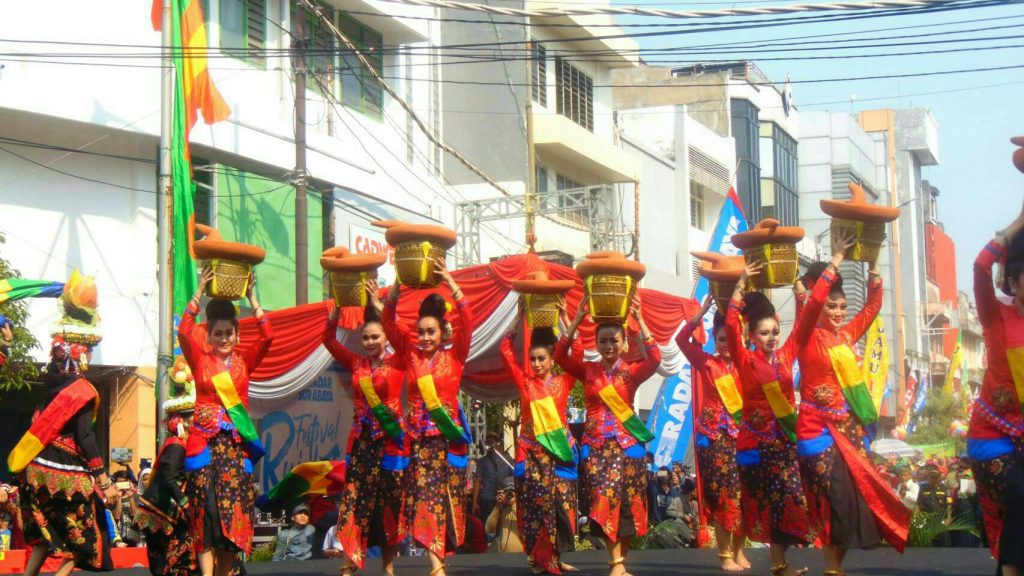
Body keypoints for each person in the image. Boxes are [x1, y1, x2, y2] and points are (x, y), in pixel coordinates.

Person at [725, 243, 851, 576]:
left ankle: (780, 565)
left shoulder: (786, 355)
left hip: (783, 444)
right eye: (764, 333)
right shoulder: (744, 359)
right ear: (751, 335)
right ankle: (772, 564)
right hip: (753, 446)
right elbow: (730, 324)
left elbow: (809, 314)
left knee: (790, 502)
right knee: (763, 505)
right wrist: (741, 284)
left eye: (775, 332)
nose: (771, 337)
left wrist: (830, 264)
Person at [792, 255, 910, 574]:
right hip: (815, 432)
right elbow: (809, 305)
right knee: (831, 502)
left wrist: (874, 269)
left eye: (843, 307)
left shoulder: (845, 336)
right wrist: (836, 260)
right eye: (831, 306)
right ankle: (830, 568)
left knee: (849, 502)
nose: (839, 312)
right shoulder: (806, 334)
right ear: (819, 306)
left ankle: (834, 569)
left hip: (846, 431)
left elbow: (872, 308)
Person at [556, 290, 660, 576]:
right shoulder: (588, 371)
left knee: (628, 504)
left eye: (614, 340)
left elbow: (655, 358)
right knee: (603, 500)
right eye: (603, 341)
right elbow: (559, 356)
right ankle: (616, 564)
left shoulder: (632, 372)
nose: (608, 346)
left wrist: (640, 319)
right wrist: (575, 320)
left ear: (624, 344)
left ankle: (620, 563)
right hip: (597, 446)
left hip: (629, 446)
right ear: (596, 344)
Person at [382, 256, 473, 576]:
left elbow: (468, 319)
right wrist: (397, 283)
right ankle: (436, 568)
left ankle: (440, 562)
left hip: (449, 442)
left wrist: (450, 282)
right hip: (420, 442)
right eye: (420, 332)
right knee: (425, 499)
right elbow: (388, 321)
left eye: (431, 331)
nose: (424, 337)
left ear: (443, 331)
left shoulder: (456, 355)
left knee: (446, 500)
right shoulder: (411, 356)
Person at [179, 266, 272, 576]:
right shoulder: (200, 360)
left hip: (234, 449)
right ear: (208, 336)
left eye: (228, 333)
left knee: (234, 515)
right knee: (205, 513)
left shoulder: (245, 363)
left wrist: (252, 298)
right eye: (217, 334)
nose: (223, 339)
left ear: (237, 334)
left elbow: (268, 336)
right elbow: (183, 331)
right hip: (203, 446)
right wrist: (199, 292)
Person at [8, 337, 117, 576]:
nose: (91, 355)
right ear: (81, 356)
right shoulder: (81, 391)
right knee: (86, 535)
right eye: (89, 350)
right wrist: (104, 481)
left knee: (45, 533)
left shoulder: (51, 390)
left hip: (34, 469)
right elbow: (85, 437)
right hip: (64, 469)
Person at [324, 281, 407, 576]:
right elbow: (328, 340)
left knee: (387, 506)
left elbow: (403, 336)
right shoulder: (356, 363)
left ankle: (388, 566)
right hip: (360, 445)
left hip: (389, 444)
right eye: (366, 337)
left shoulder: (398, 361)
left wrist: (378, 305)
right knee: (354, 503)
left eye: (375, 336)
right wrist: (337, 305)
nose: (370, 342)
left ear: (385, 337)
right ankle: (351, 560)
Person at [499, 303, 579, 574]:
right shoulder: (525, 383)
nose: (536, 363)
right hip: (531, 455)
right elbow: (505, 350)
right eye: (532, 359)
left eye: (542, 358)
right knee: (533, 508)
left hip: (559, 454)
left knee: (561, 506)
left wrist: (566, 318)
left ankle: (555, 557)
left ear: (552, 358)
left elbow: (578, 351)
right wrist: (518, 318)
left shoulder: (564, 382)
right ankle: (537, 559)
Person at [967, 203, 1024, 576]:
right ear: (1014, 282)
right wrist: (1018, 224)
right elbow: (980, 267)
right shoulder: (995, 315)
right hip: (993, 438)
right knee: (1016, 507)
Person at [676, 296, 748, 571]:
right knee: (723, 495)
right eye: (721, 339)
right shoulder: (706, 362)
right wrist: (700, 315)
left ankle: (739, 550)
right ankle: (725, 554)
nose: (727, 344)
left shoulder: (748, 364)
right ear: (714, 341)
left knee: (744, 495)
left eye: (732, 338)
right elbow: (681, 340)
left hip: (743, 438)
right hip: (714, 438)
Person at [135, 405, 195, 576]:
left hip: (170, 511)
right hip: (161, 511)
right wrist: (185, 503)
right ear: (182, 421)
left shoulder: (183, 444)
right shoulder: (177, 445)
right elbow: (169, 479)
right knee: (165, 561)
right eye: (193, 416)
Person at [473, 431, 515, 526]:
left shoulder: (508, 459)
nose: (491, 444)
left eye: (493, 441)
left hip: (504, 498)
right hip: (487, 500)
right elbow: (478, 481)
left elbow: (514, 478)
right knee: (488, 526)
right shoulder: (482, 461)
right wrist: (474, 503)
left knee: (504, 526)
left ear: (498, 443)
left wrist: (512, 497)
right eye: (488, 442)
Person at [485, 477, 523, 554]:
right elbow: (488, 529)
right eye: (507, 491)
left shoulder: (523, 509)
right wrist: (498, 506)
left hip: (518, 556)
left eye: (513, 491)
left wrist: (515, 503)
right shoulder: (503, 510)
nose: (510, 494)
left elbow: (523, 524)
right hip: (502, 555)